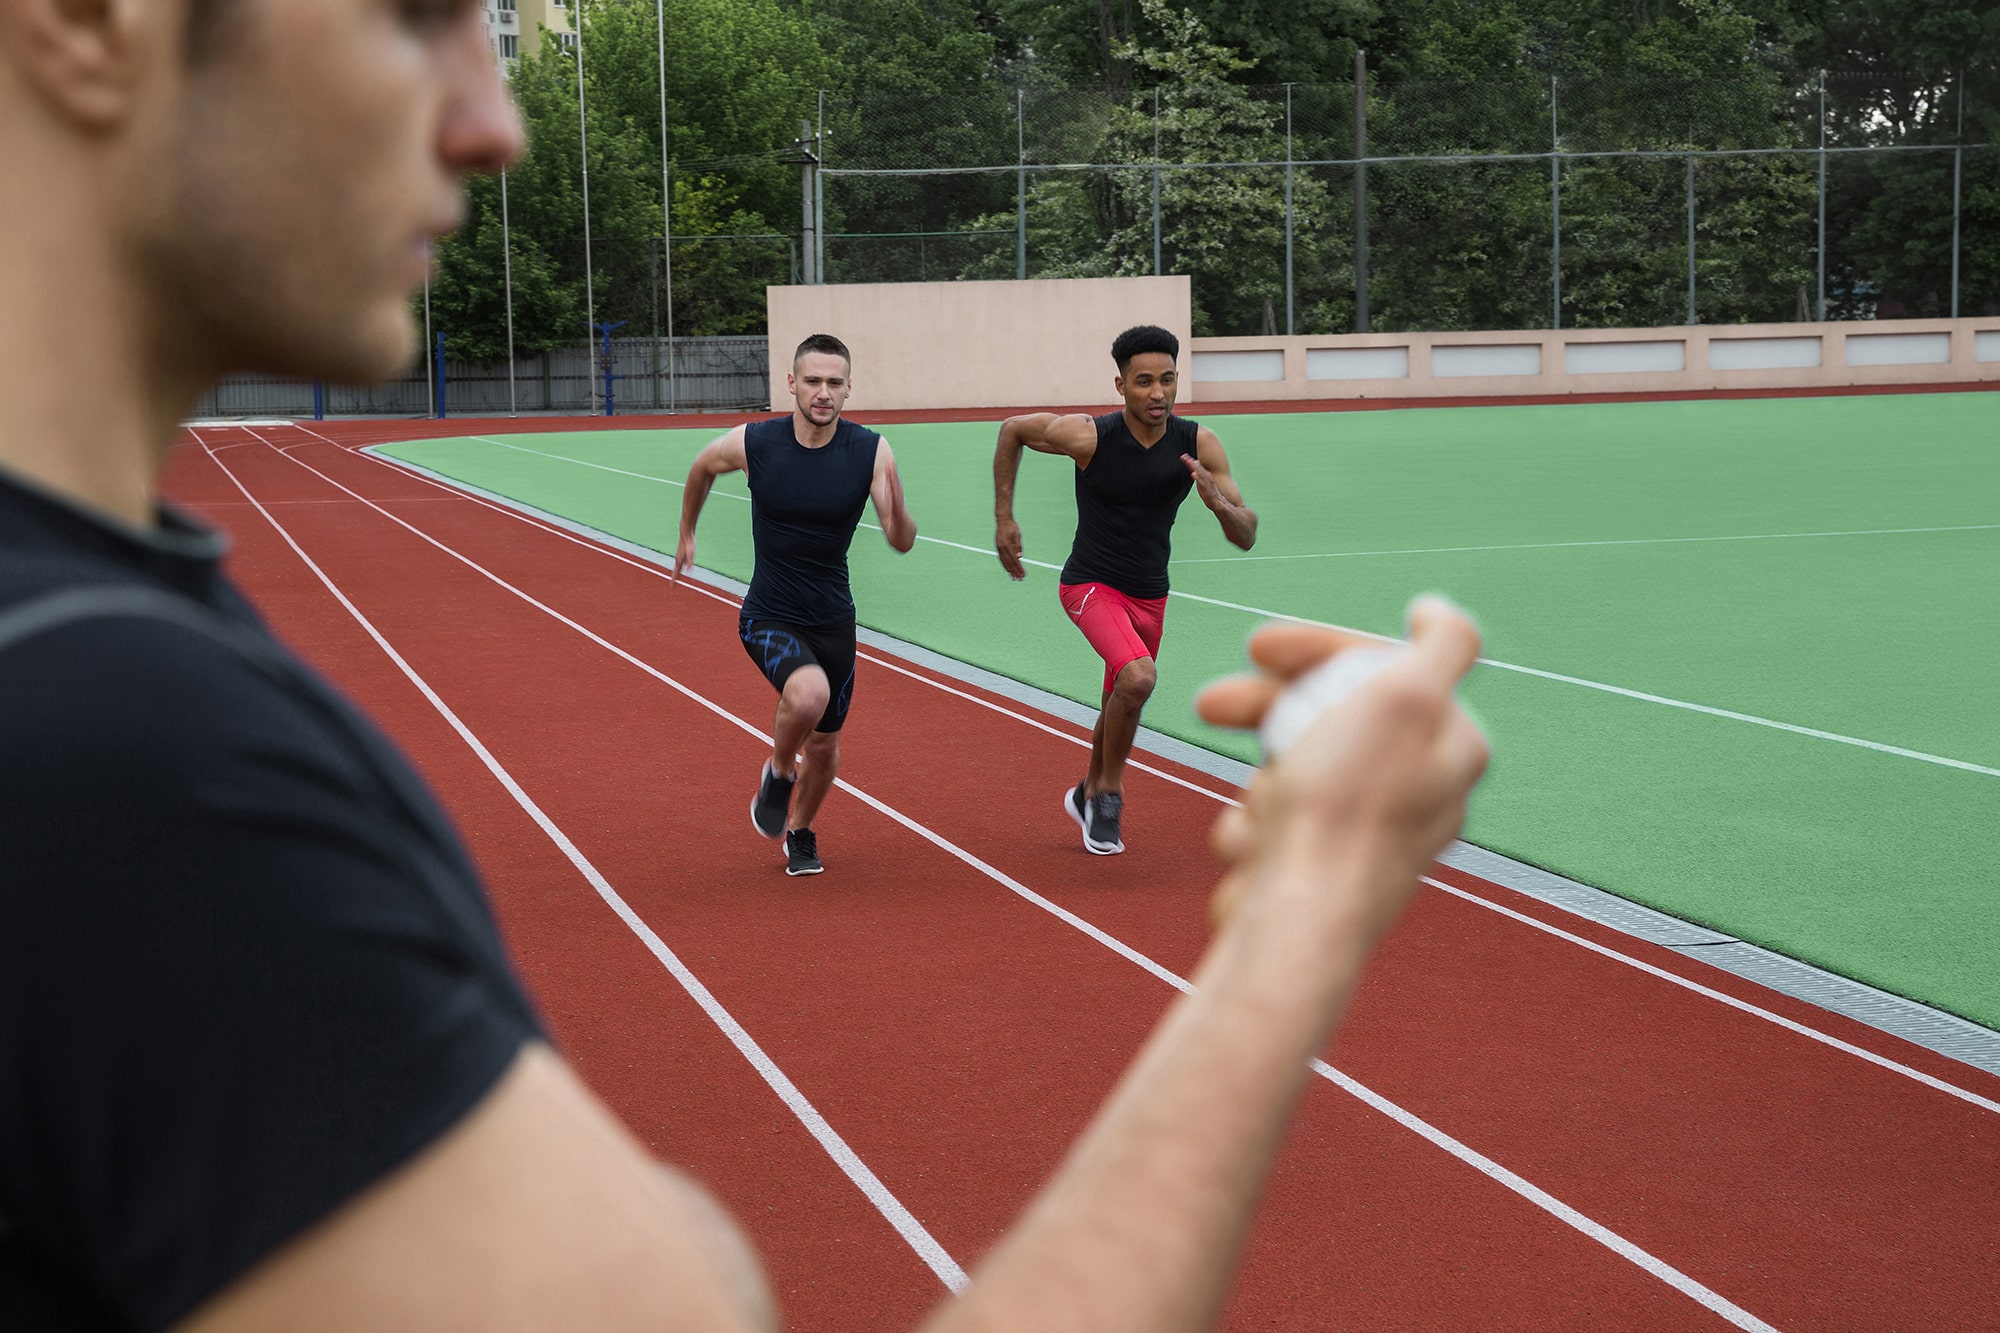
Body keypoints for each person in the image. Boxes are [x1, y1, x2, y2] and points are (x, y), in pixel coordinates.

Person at [0, 1, 1487, 1328]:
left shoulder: (116, 653)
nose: (493, 119)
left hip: (858, 611)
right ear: (87, 23)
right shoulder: (118, 737)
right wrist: (1299, 929)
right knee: (816, 715)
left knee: (826, 722)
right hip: (806, 620)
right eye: (412, 14)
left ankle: (811, 786)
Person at [992, 325, 1258, 856]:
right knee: (1138, 678)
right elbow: (1012, 430)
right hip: (1089, 584)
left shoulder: (1198, 442)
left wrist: (1218, 504)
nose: (1158, 393)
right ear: (1121, 386)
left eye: (1167, 380)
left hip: (1150, 596)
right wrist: (1005, 518)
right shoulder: (1089, 436)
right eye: (1144, 382)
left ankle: (1085, 793)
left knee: (1121, 699)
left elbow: (1246, 533)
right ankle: (1108, 794)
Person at [670, 333, 919, 877]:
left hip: (833, 619)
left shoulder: (871, 451)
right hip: (769, 612)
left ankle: (801, 832)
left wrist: (900, 516)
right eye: (813, 381)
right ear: (792, 384)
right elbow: (702, 466)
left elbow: (900, 539)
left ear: (849, 388)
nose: (823, 392)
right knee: (807, 695)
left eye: (834, 382)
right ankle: (780, 771)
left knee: (825, 747)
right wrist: (687, 531)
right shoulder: (757, 442)